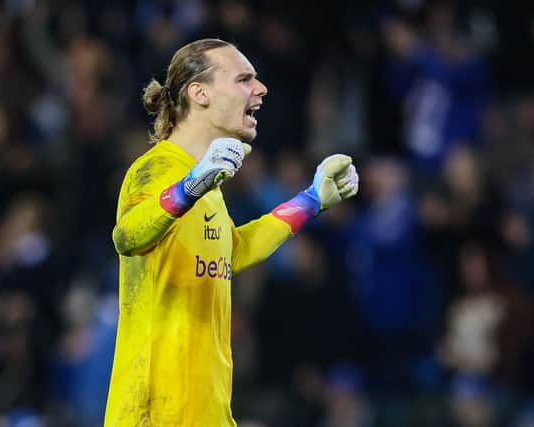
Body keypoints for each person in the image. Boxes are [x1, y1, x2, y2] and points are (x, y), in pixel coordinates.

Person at [104, 38, 359, 427]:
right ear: (199, 93)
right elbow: (128, 236)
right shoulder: (157, 170)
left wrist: (311, 200)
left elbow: (233, 251)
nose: (260, 89)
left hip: (207, 412)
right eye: (244, 79)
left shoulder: (208, 186)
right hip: (155, 413)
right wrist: (189, 188)